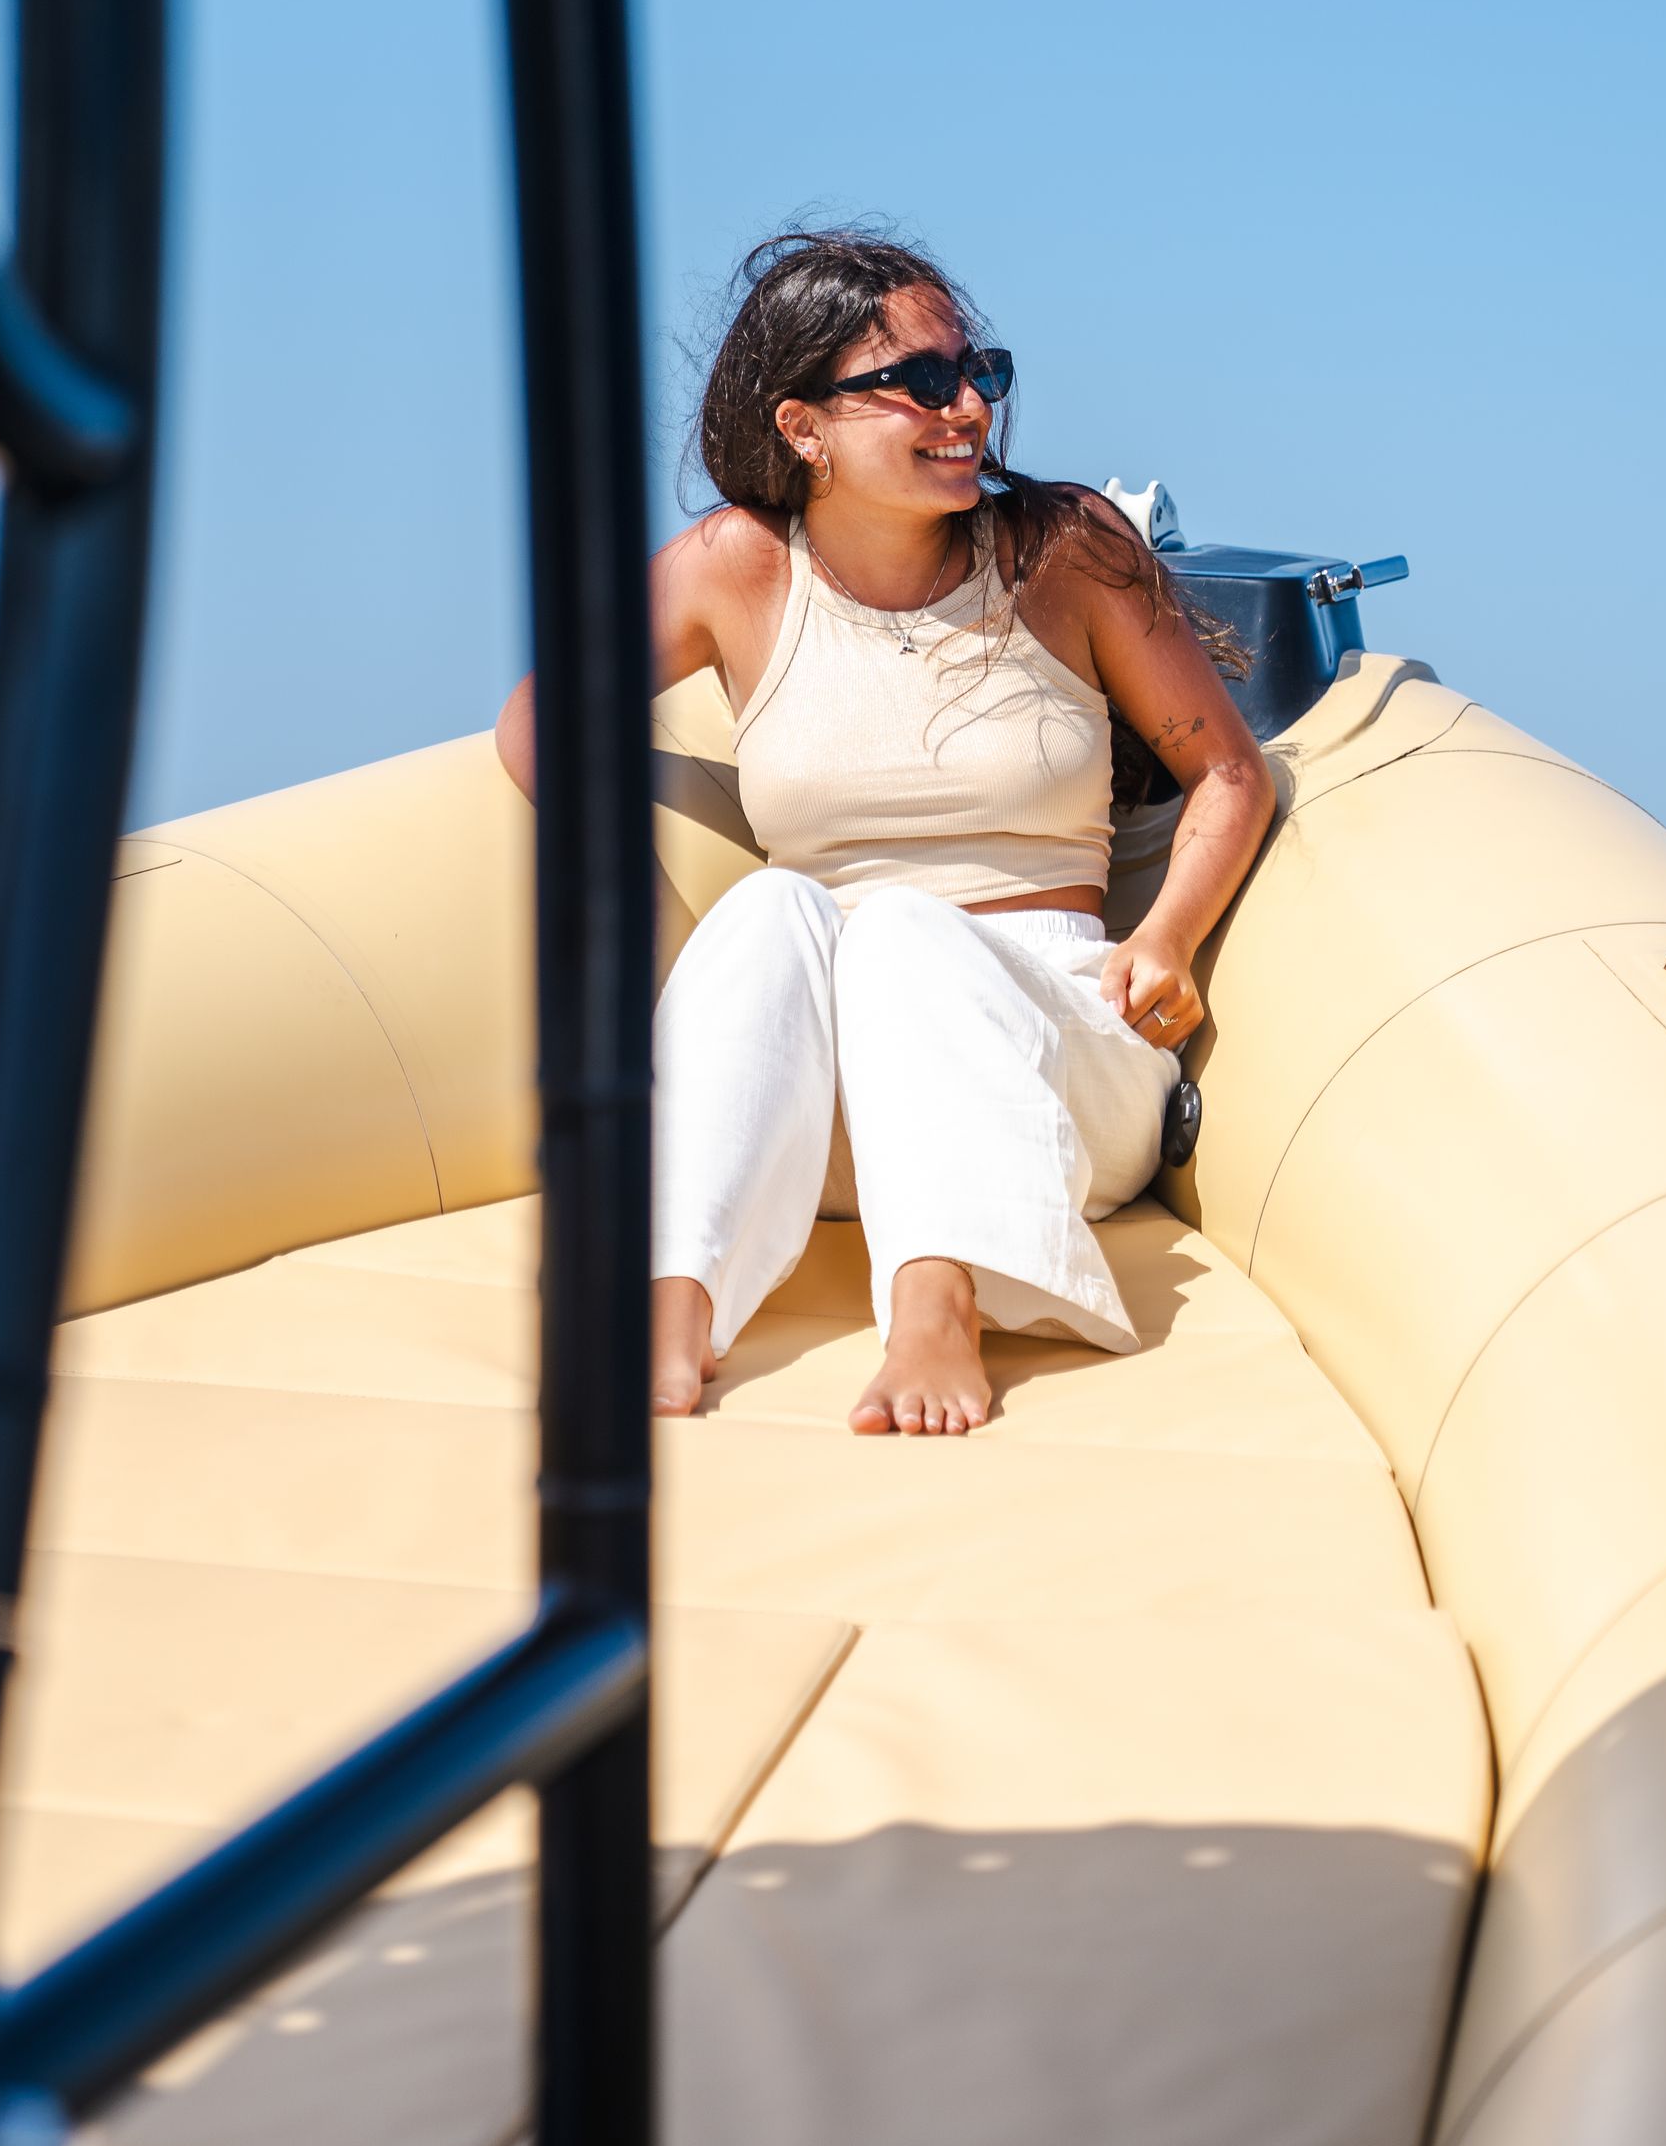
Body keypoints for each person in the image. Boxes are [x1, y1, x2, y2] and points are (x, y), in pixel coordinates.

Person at [496, 228, 1275, 1437]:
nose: (967, 406)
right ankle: (668, 1306)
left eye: (980, 373)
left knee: (906, 933)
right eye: (918, 382)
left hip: (1052, 1062)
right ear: (804, 427)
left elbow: (1228, 769)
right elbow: (544, 720)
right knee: (769, 911)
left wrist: (1168, 936)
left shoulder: (1065, 550)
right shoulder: (738, 570)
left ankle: (937, 1309)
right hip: (830, 1109)